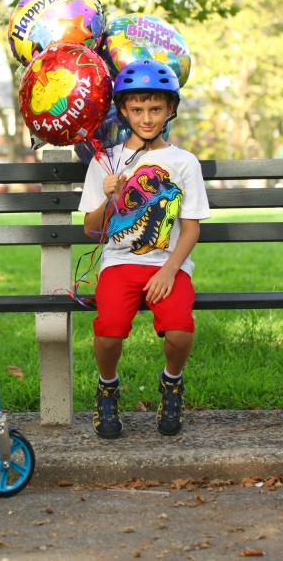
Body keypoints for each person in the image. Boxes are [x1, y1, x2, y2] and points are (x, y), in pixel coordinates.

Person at [77, 59, 211, 438]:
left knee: (181, 331)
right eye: (137, 109)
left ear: (171, 109)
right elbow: (91, 228)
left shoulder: (184, 162)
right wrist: (109, 196)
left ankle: (171, 382)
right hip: (119, 263)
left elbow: (191, 227)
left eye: (155, 109)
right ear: (122, 110)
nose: (147, 118)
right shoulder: (105, 161)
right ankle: (107, 386)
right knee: (109, 330)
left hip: (168, 265)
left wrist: (170, 270)